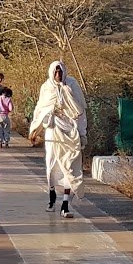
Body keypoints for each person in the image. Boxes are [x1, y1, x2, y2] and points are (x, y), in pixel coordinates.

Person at [29, 60, 87, 218]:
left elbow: (80, 111)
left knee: (70, 166)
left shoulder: (72, 85)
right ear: (51, 73)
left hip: (70, 131)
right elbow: (40, 110)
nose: (58, 75)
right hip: (53, 132)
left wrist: (82, 134)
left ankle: (66, 204)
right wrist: (34, 130)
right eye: (55, 72)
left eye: (60, 72)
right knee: (52, 165)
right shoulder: (46, 87)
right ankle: (52, 195)